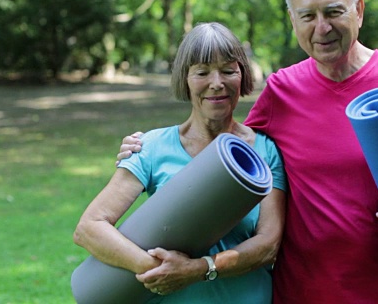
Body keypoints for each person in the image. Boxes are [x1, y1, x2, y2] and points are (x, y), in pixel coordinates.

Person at [118, 0, 378, 303]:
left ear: (358, 11)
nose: (322, 27)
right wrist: (146, 147)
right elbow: (226, 154)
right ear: (293, 20)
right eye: (308, 15)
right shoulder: (282, 90)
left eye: (333, 12)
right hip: (296, 293)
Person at [74, 22, 287, 303]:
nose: (217, 83)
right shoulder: (150, 147)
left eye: (228, 70)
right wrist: (156, 269)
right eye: (202, 72)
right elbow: (90, 228)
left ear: (242, 75)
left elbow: (268, 245)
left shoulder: (264, 151)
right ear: (185, 79)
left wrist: (198, 269)